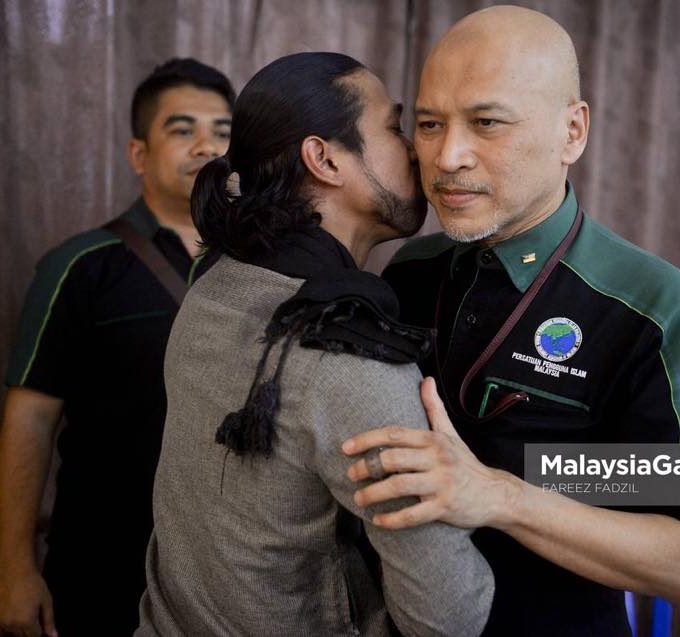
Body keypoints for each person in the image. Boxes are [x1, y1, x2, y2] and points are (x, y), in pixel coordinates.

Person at [341, 6, 680, 636]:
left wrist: (499, 496)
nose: (448, 156)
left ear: (572, 132)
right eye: (429, 124)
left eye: (487, 123)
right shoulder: (411, 269)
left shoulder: (656, 305)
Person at [136, 52, 494, 637]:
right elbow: (447, 618)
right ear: (324, 159)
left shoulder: (214, 284)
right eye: (395, 127)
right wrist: (477, 491)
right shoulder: (352, 358)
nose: (419, 151)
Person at [0, 58, 234, 636]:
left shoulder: (258, 265)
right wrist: (14, 569)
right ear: (139, 154)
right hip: (103, 566)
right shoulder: (80, 266)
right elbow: (30, 420)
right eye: (183, 129)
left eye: (222, 131)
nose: (206, 146)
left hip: (228, 570)